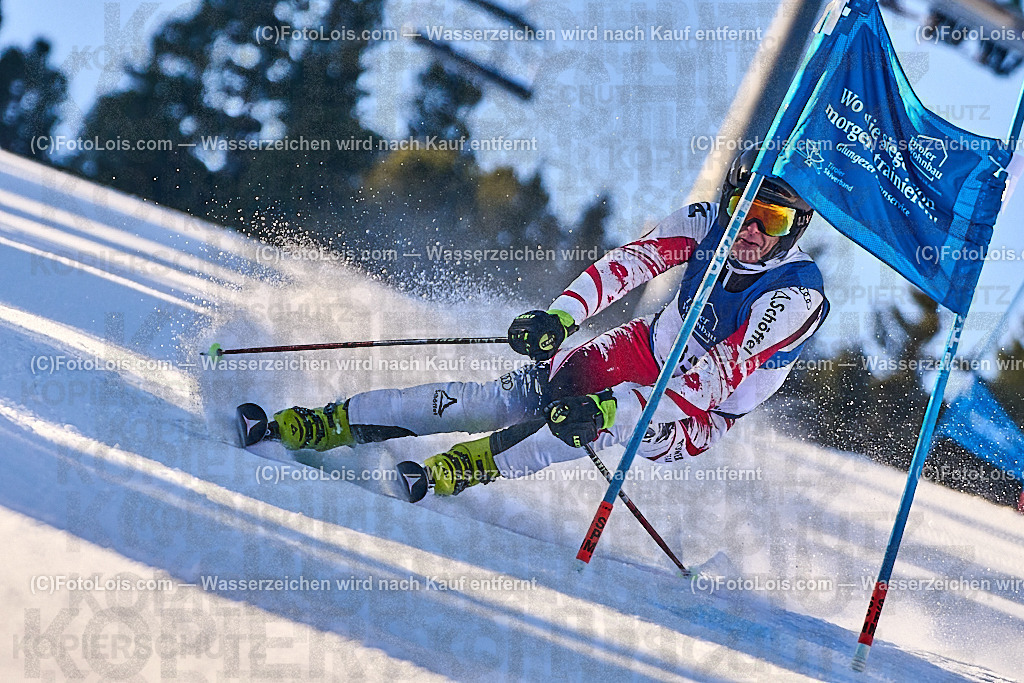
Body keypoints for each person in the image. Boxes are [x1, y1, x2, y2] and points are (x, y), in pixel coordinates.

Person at [271, 147, 830, 498]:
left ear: (794, 230)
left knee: (587, 424)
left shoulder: (795, 296)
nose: (751, 229)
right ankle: (335, 422)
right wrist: (560, 318)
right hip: (649, 344)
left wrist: (613, 407)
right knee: (515, 395)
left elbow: (711, 379)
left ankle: (472, 466)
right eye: (745, 206)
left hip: (698, 413)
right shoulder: (705, 221)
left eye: (772, 218)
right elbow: (629, 264)